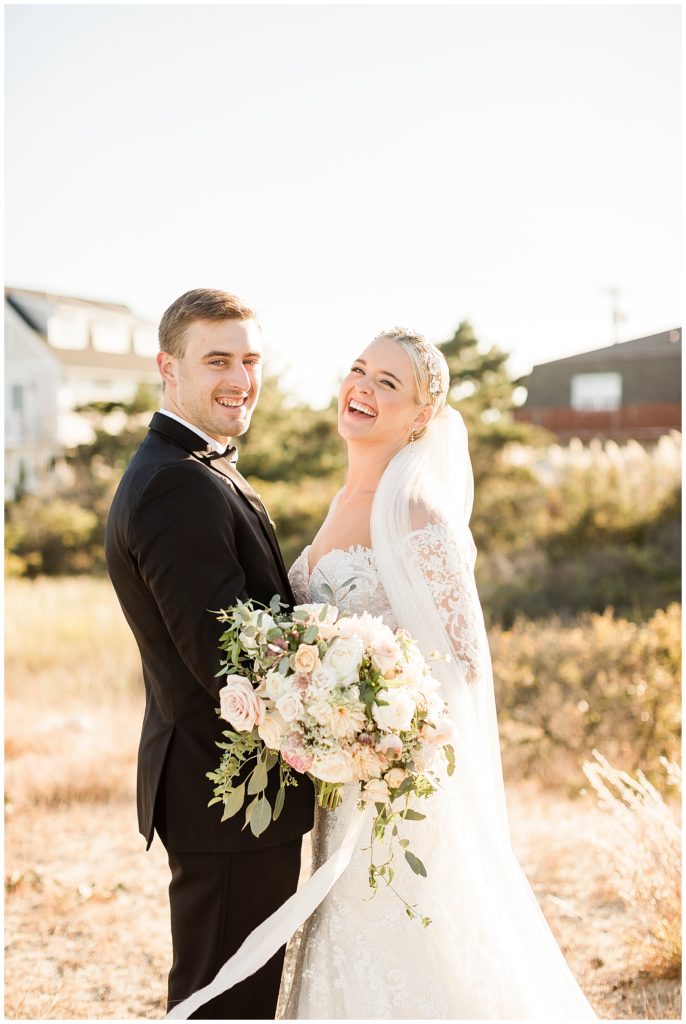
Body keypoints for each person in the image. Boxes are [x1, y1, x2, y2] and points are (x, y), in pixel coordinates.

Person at [280, 328, 598, 1019]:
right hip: (340, 788)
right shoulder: (338, 505)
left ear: (422, 417)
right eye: (359, 370)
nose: (361, 387)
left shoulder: (417, 513)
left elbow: (463, 666)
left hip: (399, 794)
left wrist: (377, 729)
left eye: (387, 383)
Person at [104, 288, 314, 1020]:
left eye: (249, 359)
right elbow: (227, 658)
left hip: (224, 788)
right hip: (224, 785)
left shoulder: (195, 466)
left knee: (230, 989)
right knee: (222, 998)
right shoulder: (176, 484)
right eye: (217, 359)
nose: (239, 378)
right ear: (168, 366)